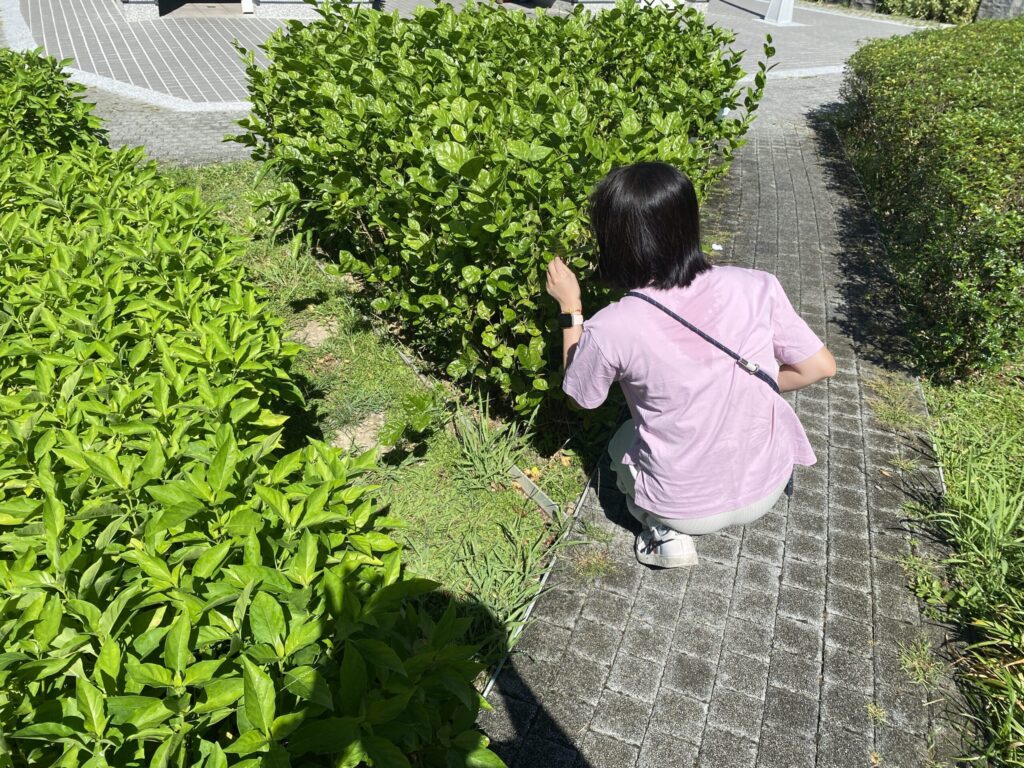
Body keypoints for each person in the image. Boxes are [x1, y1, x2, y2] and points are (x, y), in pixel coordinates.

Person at [546, 162, 836, 568]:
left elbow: (582, 399)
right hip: (769, 483)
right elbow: (819, 367)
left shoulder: (614, 324)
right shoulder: (756, 285)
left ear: (614, 239)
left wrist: (570, 307)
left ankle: (663, 532)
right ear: (688, 221)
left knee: (621, 441)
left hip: (684, 507)